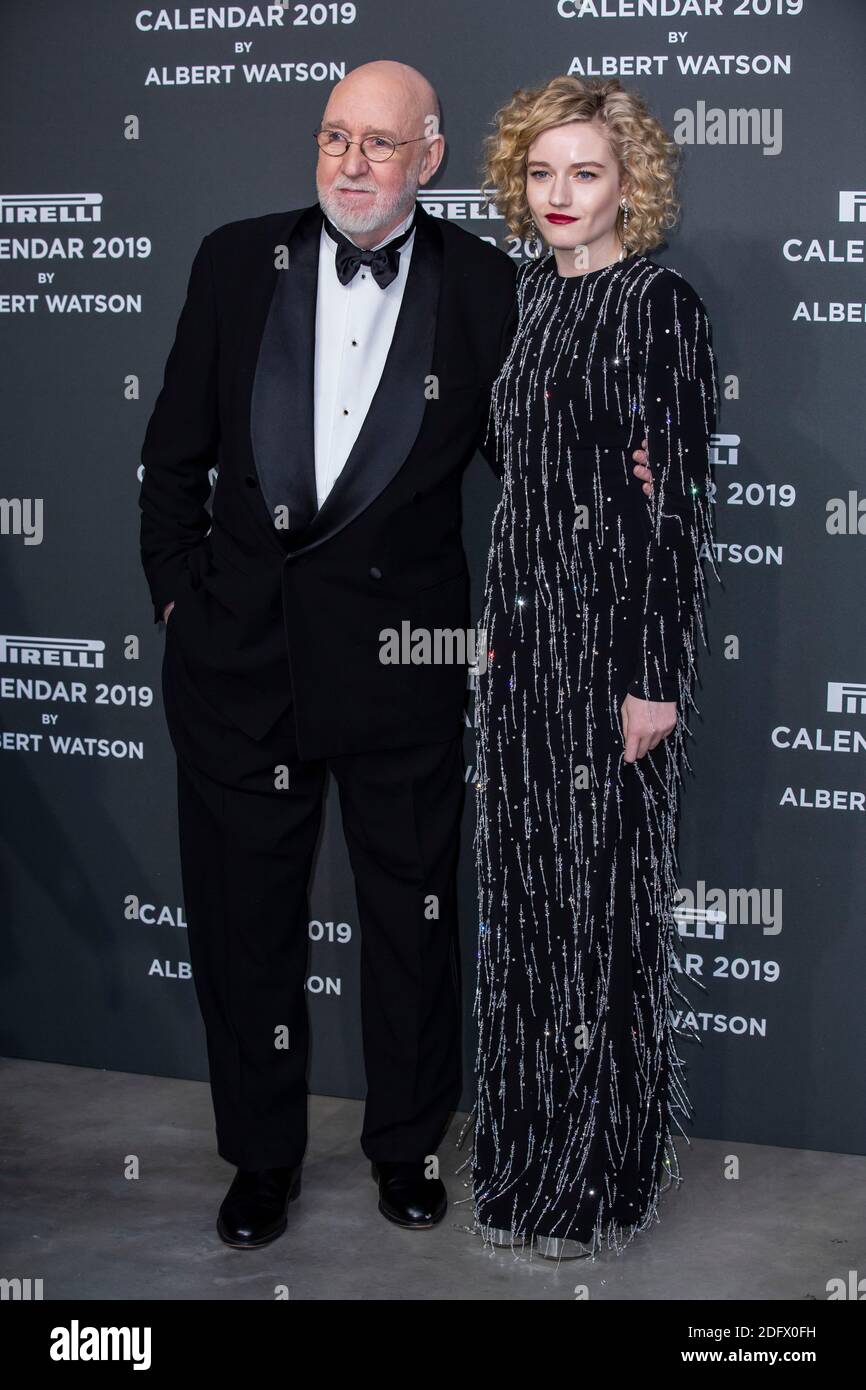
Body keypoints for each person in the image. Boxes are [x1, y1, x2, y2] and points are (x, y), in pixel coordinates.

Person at [139, 59, 655, 1251]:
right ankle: (259, 1159)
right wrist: (179, 600)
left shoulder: (486, 286)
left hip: (403, 658)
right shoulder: (232, 260)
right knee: (242, 922)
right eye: (333, 140)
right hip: (239, 663)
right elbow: (172, 456)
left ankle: (405, 1146)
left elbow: (529, 464)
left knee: (411, 922)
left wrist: (617, 468)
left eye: (379, 144)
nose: (351, 165)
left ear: (427, 158)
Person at [464, 75, 720, 1261]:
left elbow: (670, 510)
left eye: (586, 173)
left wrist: (653, 675)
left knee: (595, 914)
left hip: (608, 654)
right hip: (516, 650)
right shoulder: (521, 297)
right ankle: (518, 1171)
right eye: (540, 172)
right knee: (521, 913)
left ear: (629, 185)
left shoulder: (656, 305)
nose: (559, 195)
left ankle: (595, 1180)